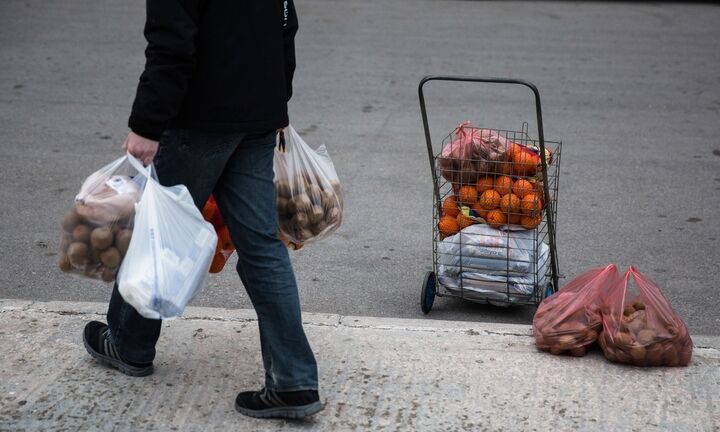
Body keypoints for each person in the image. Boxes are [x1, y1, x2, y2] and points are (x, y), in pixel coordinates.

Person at [81, 0, 323, 419]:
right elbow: (286, 25)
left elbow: (171, 46)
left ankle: (130, 344)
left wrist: (146, 125)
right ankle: (294, 382)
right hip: (257, 117)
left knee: (157, 233)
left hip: (199, 121)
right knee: (263, 247)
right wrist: (275, 102)